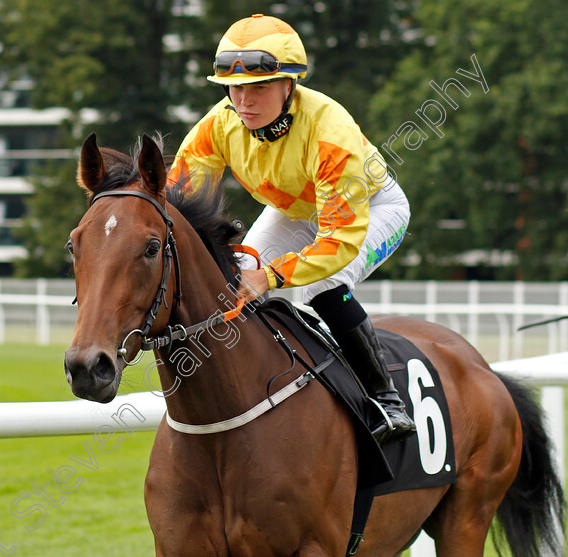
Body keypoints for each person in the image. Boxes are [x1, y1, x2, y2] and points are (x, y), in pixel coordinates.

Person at [168, 14, 416, 443]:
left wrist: (270, 275)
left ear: (289, 86)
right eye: (234, 88)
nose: (244, 101)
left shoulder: (329, 130)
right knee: (232, 287)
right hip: (294, 211)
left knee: (323, 284)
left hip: (371, 208)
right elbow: (178, 201)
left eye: (259, 88)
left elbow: (337, 240)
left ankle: (385, 399)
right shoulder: (218, 125)